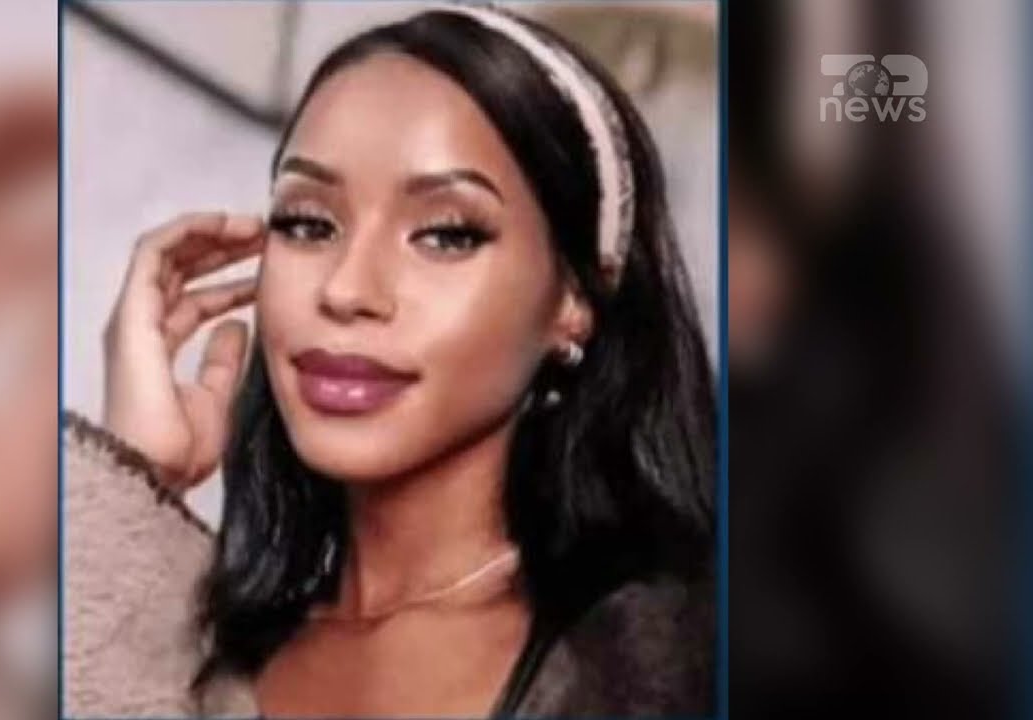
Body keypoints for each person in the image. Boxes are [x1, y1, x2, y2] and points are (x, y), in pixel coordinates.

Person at [64, 6, 714, 717]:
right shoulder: (210, 653)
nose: (346, 289)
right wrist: (135, 484)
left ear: (572, 300)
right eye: (308, 223)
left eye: (445, 235)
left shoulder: (670, 659)